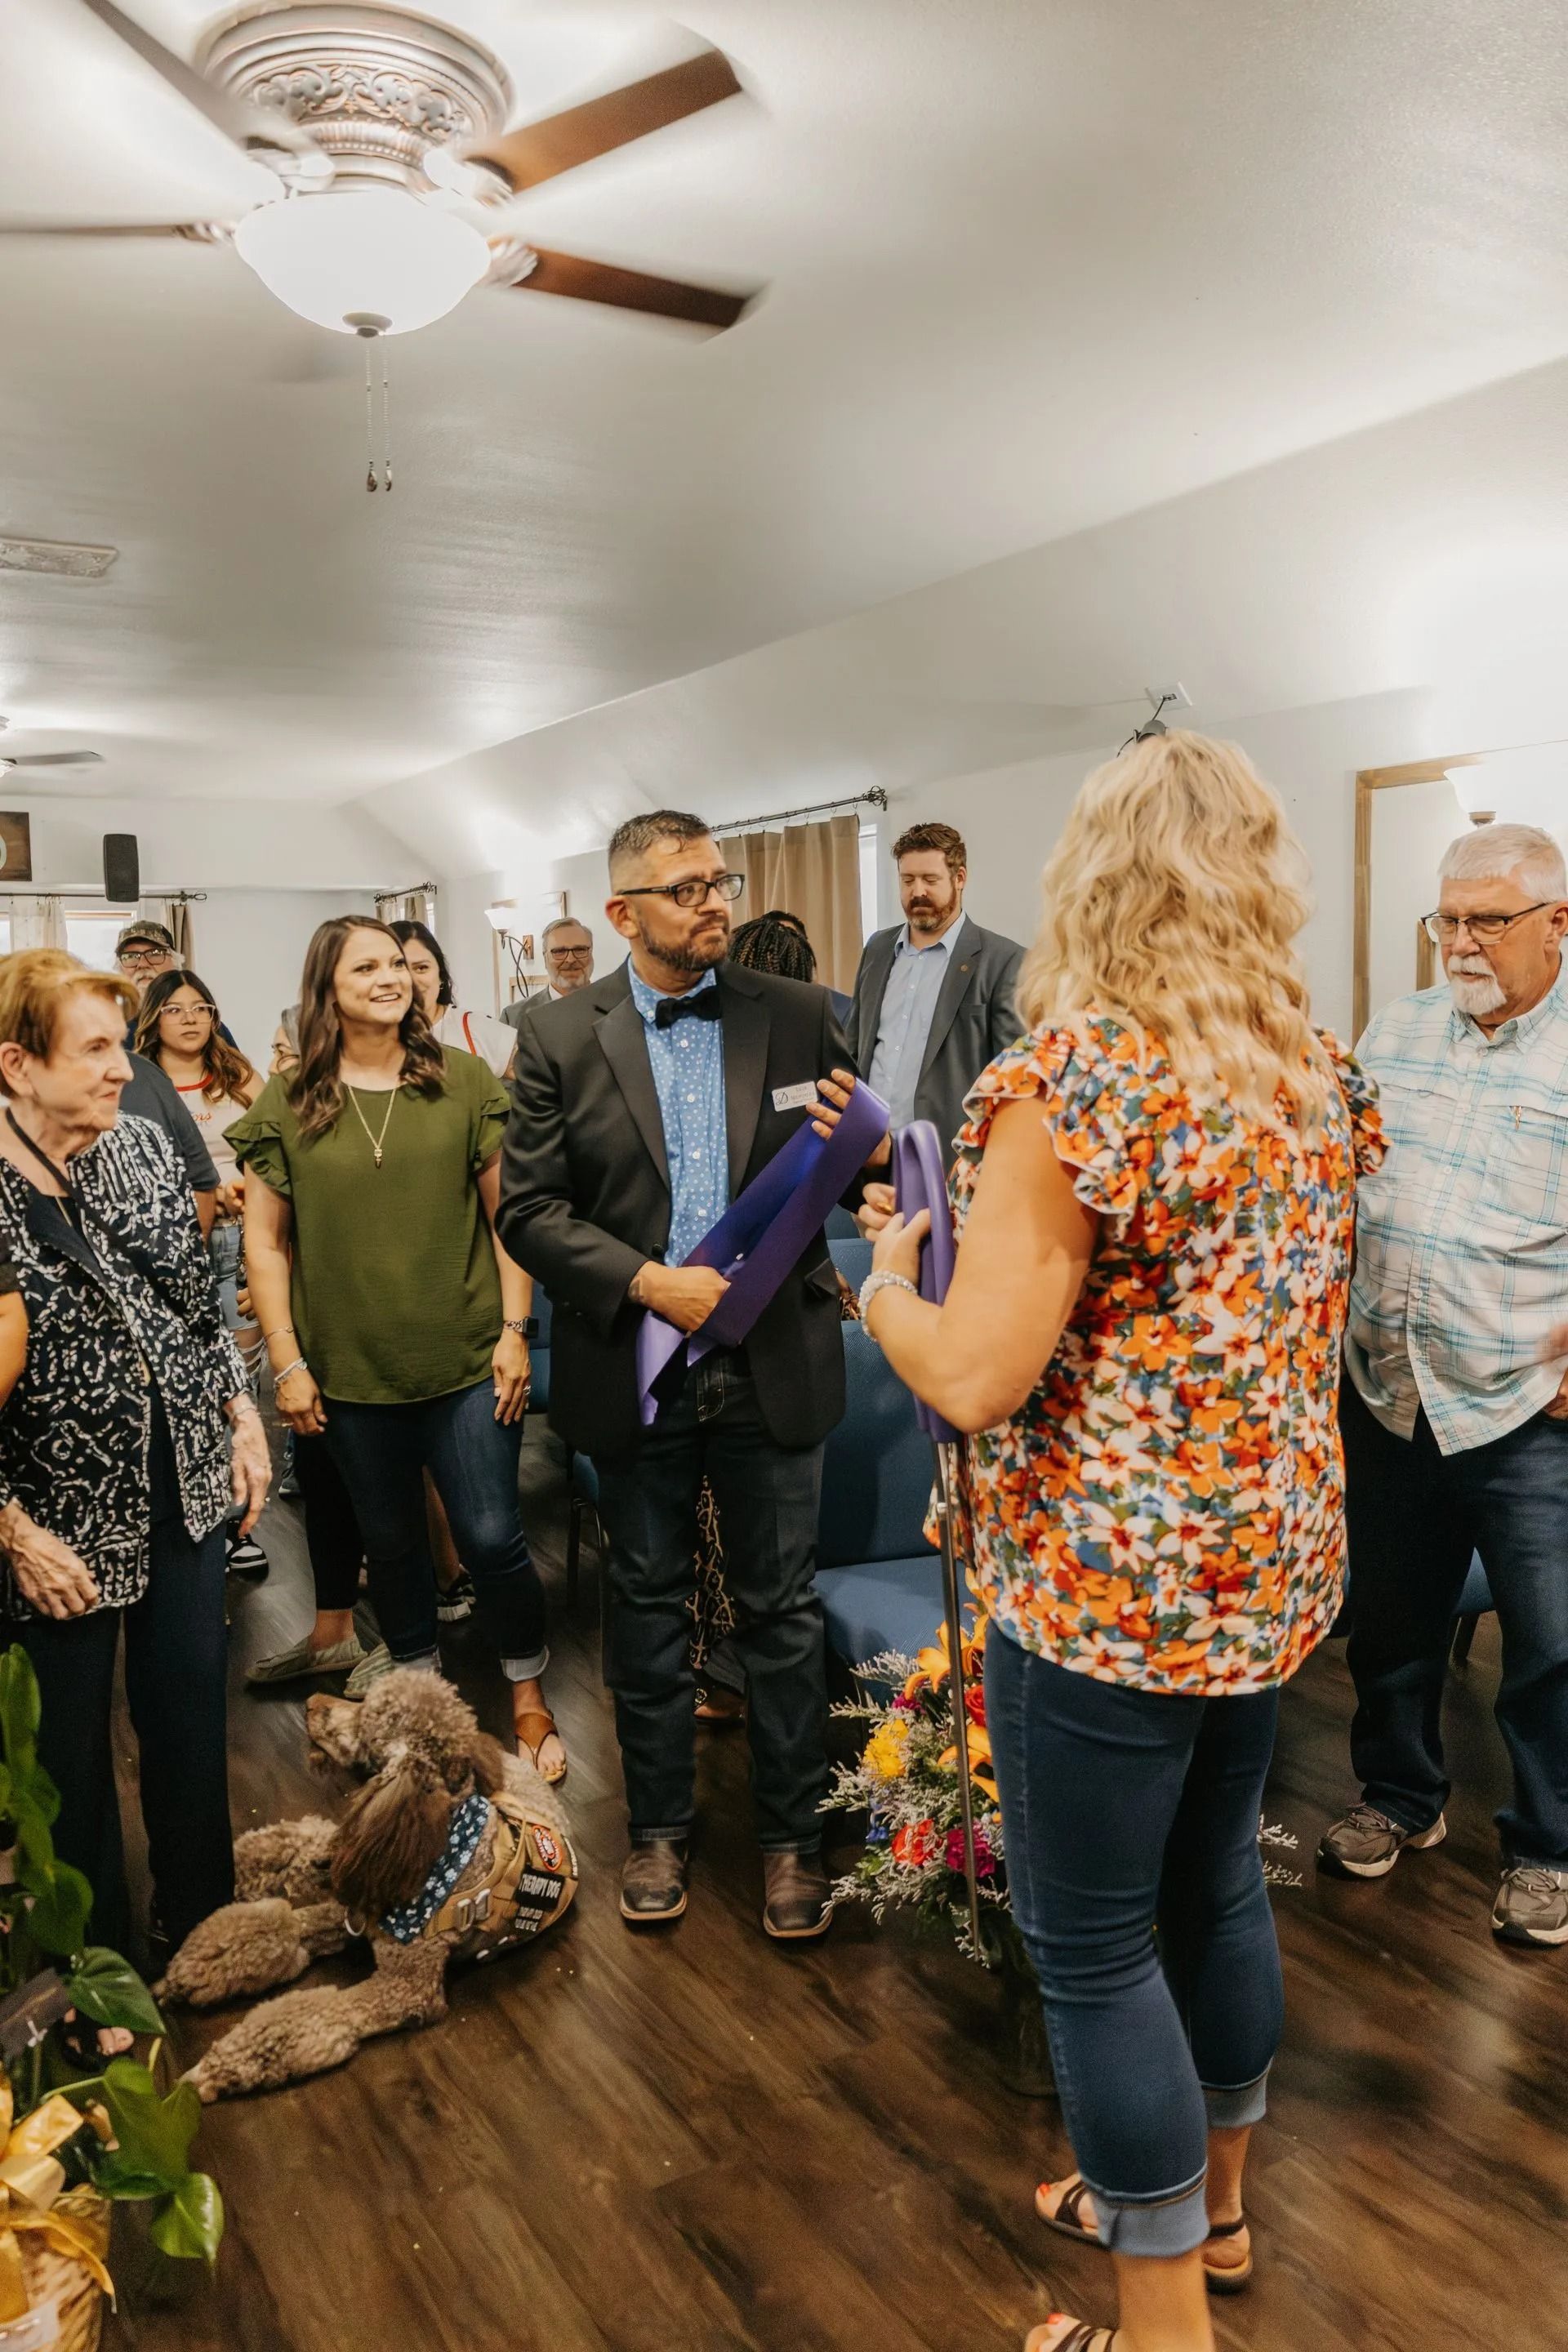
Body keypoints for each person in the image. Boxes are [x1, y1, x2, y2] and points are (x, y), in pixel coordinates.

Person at [858, 734, 1382, 2352]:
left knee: (1086, 1948)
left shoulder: (1078, 1080)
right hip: (1270, 1572)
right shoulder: (1315, 1071)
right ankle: (1214, 2215)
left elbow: (973, 1371)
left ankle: (1161, 2331)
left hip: (1104, 1597)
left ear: (1094, 879)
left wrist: (884, 1278)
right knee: (1218, 1887)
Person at [500, 810, 885, 1940]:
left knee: (781, 1616)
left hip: (775, 1362)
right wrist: (645, 1283)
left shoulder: (807, 1015)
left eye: (719, 882)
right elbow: (529, 1210)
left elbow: (859, 1160)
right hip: (637, 1360)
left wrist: (876, 1166)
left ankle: (790, 1845)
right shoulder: (560, 1034)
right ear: (623, 913)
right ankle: (659, 1831)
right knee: (649, 1610)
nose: (713, 902)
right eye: (685, 889)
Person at [230, 918, 564, 1780]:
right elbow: (264, 1245)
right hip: (347, 1376)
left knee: (492, 1539)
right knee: (394, 1544)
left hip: (466, 1363)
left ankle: (526, 1690)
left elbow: (510, 1221)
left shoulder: (463, 1081)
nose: (389, 978)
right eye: (365, 966)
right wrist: (288, 1361)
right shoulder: (291, 1096)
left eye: (397, 965)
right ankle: (421, 1701)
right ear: (327, 989)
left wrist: (515, 1332)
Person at [1321, 821, 1568, 1949]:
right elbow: (1351, 1176)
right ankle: (1400, 1798)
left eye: (1487, 921)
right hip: (1387, 1387)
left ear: (1556, 923)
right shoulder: (1399, 1029)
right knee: (1393, 1621)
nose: (1459, 942)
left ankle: (1547, 1849)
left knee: (1551, 1645)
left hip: (1524, 1403)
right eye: (1447, 918)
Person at [0, 950, 270, 1957]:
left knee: (191, 1718)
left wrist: (239, 1418)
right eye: (98, 1048)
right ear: (18, 1066)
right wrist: (15, 1531)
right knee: (67, 1754)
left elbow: (195, 1312)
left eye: (123, 1045)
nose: (124, 1069)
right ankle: (95, 1968)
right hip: (55, 1518)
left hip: (184, 1486)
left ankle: (204, 1924)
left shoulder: (146, 1151)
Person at [133, 969, 268, 1575]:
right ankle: (199, 1516)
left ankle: (243, 1518)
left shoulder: (239, 1077)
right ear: (153, 1018)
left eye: (202, 1008)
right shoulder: (136, 1080)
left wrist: (247, 1193)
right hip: (174, 1245)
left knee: (241, 1379)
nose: (190, 1019)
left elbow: (273, 1153)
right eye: (176, 1009)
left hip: (242, 1241)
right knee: (191, 1387)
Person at [848, 821, 1023, 1153]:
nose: (917, 892)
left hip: (950, 1160)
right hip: (869, 1154)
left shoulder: (1004, 961)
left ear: (960, 879)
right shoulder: (877, 949)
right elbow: (854, 1048)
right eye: (907, 880)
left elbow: (1011, 1081)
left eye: (930, 880)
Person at [391, 918, 515, 1080]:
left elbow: (541, 1078)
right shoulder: (361, 1040)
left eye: (422, 968)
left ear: (441, 975)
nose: (411, 981)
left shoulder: (476, 1029)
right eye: (398, 967)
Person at [115, 918, 238, 1047]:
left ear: (175, 962)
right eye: (130, 956)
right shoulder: (108, 1026)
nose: (142, 964)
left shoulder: (204, 1025)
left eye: (155, 954)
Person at [732, 907, 852, 1022]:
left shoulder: (843, 1010)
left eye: (788, 942)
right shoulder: (741, 1008)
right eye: (772, 944)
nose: (779, 953)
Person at [501, 916, 595, 1032]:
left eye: (580, 950)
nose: (570, 960)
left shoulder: (619, 1009)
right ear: (545, 958)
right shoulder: (513, 1019)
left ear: (591, 954)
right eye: (559, 951)